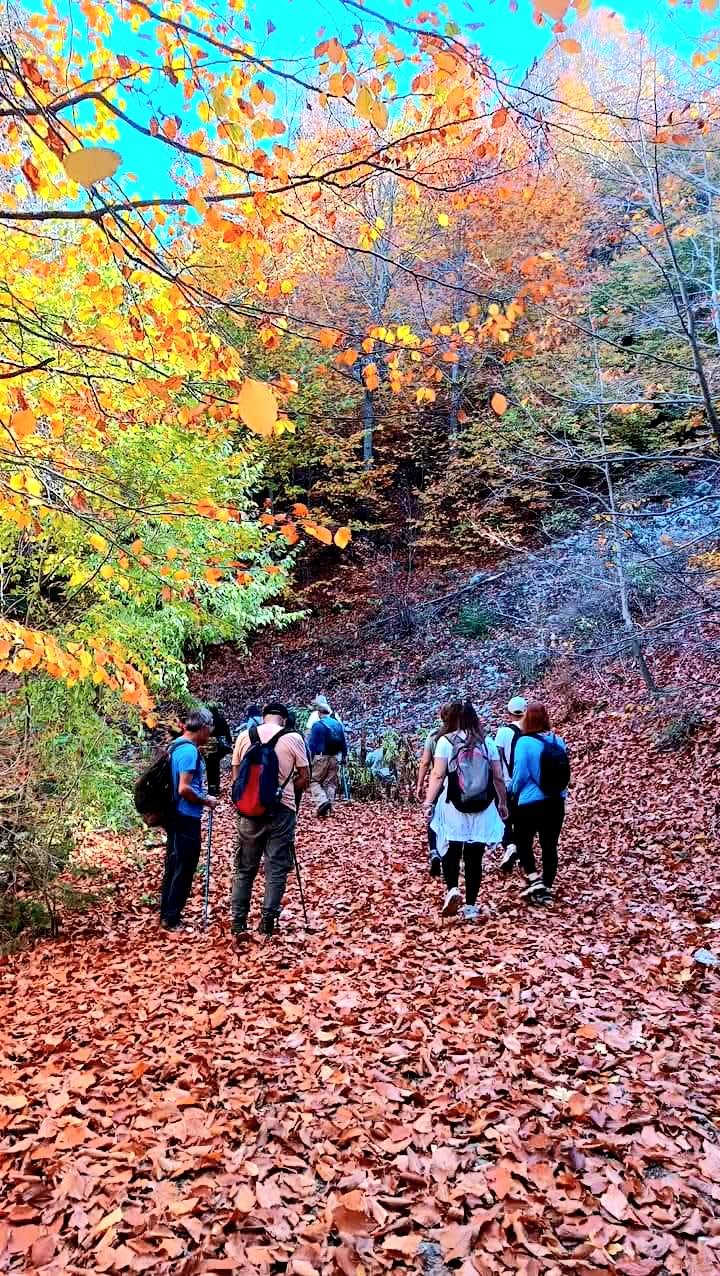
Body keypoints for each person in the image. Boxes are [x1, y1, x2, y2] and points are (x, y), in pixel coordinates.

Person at [231, 701, 310, 939]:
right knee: (276, 867)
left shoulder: (245, 736)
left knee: (244, 867)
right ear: (283, 720)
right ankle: (268, 920)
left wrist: (251, 797)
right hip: (281, 810)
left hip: (248, 811)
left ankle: (238, 921)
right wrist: (284, 792)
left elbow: (236, 778)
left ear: (264, 717)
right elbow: (305, 777)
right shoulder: (294, 738)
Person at [422, 699, 508, 920]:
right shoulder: (487, 742)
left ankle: (452, 889)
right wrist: (503, 803)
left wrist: (429, 802)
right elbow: (498, 776)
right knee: (474, 854)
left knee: (452, 846)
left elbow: (438, 775)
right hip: (483, 804)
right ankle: (470, 906)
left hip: (454, 804)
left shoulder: (445, 742)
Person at [160, 707, 218, 932]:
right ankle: (172, 918)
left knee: (173, 864)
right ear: (203, 728)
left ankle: (167, 913)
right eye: (209, 730)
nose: (209, 735)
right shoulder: (190, 752)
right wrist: (206, 801)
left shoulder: (174, 746)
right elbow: (184, 788)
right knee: (184, 866)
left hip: (173, 813)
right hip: (185, 815)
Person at [508, 700, 568, 905]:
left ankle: (534, 879)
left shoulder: (524, 742)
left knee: (522, 841)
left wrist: (512, 791)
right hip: (556, 802)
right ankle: (547, 887)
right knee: (550, 845)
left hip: (530, 803)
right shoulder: (557, 741)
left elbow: (521, 774)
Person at [416, 705, 454, 878]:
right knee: (452, 819)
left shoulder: (434, 737)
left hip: (437, 783)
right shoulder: (462, 736)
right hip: (456, 785)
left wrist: (420, 784)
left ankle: (434, 851)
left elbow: (424, 762)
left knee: (432, 819)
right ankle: (450, 854)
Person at [494, 696, 527, 872]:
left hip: (507, 783)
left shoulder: (503, 732)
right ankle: (523, 854)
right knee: (523, 820)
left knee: (505, 816)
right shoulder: (532, 730)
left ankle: (510, 845)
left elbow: (496, 758)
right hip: (527, 785)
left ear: (508, 713)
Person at [306, 696, 348, 817]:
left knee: (314, 781)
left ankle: (322, 802)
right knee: (330, 783)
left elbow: (312, 745)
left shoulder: (317, 725)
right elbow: (344, 743)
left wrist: (309, 759)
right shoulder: (337, 724)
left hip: (321, 757)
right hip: (335, 757)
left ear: (319, 713)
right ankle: (329, 808)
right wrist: (344, 757)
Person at [205, 701, 233, 796]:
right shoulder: (221, 720)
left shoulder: (206, 721)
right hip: (220, 746)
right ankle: (216, 786)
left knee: (209, 767)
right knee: (215, 766)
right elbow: (228, 734)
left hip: (208, 745)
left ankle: (211, 787)